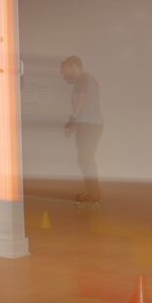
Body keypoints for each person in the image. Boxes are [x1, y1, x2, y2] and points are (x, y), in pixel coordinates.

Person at [60, 55, 103, 207]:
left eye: (65, 70)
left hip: (88, 125)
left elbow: (81, 100)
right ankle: (92, 191)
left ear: (73, 67)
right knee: (85, 159)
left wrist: (72, 120)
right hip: (90, 124)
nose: (63, 74)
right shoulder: (87, 79)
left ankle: (94, 194)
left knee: (86, 159)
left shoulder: (82, 79)